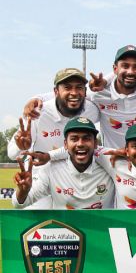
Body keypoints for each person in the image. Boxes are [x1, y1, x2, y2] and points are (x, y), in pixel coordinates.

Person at [9, 68, 99, 208]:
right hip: (40, 179)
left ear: (85, 92)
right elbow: (12, 153)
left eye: (79, 88)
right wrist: (21, 147)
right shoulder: (38, 112)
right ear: (56, 92)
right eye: (67, 88)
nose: (74, 93)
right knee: (38, 224)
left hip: (72, 180)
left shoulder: (92, 110)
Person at [12, 117, 114, 209]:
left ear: (95, 143)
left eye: (86, 138)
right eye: (74, 139)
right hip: (65, 229)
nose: (80, 144)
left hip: (105, 229)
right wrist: (23, 191)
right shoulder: (51, 169)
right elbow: (19, 203)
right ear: (65, 144)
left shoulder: (110, 166)